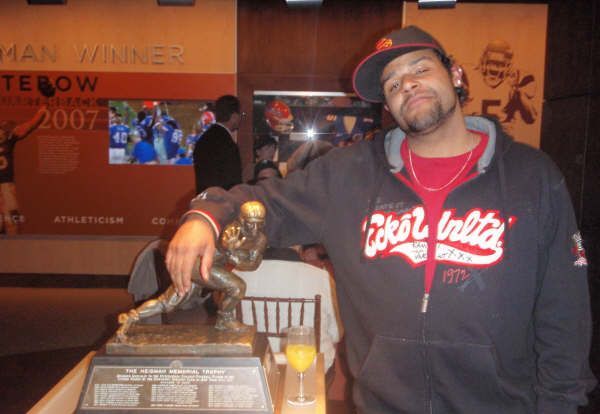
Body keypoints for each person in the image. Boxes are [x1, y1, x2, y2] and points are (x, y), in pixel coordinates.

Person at [165, 26, 595, 413]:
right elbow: (266, 203)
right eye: (392, 84)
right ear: (388, 104)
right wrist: (206, 215)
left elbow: (564, 313)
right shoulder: (348, 175)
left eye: (420, 69)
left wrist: (560, 404)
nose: (407, 84)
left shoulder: (531, 177)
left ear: (456, 75)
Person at [117, 201, 266, 339]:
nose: (254, 229)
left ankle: (130, 318)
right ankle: (224, 319)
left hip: (207, 266)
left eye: (258, 224)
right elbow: (225, 246)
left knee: (168, 303)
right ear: (241, 220)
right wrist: (232, 253)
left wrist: (233, 255)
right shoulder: (232, 231)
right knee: (237, 287)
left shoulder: (260, 239)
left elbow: (252, 264)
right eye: (250, 223)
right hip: (201, 265)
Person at [0, 82, 54, 235]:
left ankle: (15, 249)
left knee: (12, 224)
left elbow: (32, 124)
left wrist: (46, 101)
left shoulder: (9, 136)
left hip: (6, 185)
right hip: (6, 186)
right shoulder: (8, 135)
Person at [193, 95, 243, 194]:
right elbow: (233, 183)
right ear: (234, 116)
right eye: (241, 114)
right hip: (222, 199)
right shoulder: (228, 144)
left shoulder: (203, 139)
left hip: (203, 198)